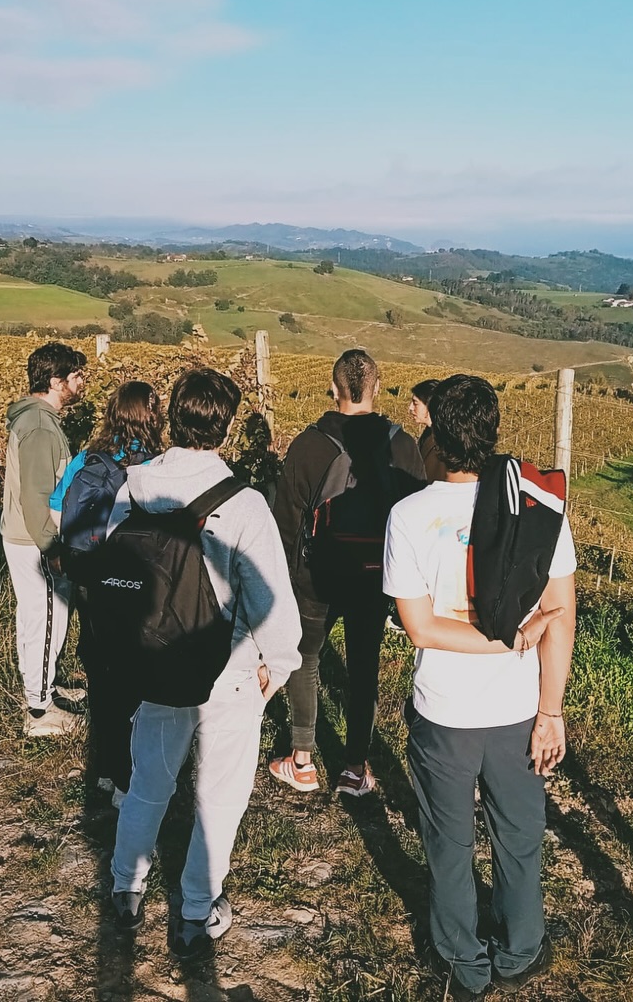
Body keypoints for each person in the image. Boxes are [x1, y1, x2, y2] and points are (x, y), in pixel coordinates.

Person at [383, 374, 576, 1001]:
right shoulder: (540, 509)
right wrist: (551, 708)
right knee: (519, 840)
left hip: (443, 714)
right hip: (519, 709)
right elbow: (560, 614)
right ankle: (521, 951)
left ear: (434, 434)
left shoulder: (408, 515)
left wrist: (492, 636)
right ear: (493, 433)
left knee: (449, 842)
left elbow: (419, 628)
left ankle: (465, 964)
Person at [109, 369, 302, 956]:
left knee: (149, 783)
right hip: (230, 668)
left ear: (171, 417)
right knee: (219, 793)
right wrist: (281, 662)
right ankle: (196, 910)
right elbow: (270, 597)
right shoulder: (243, 504)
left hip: (155, 662)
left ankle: (127, 888)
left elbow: (121, 573)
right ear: (225, 427)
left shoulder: (133, 486)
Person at [267, 349, 425, 796]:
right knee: (363, 667)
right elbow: (412, 519)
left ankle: (301, 760)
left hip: (315, 576)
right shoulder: (403, 446)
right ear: (378, 387)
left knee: (305, 657)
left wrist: (287, 579)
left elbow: (285, 521)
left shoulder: (309, 444)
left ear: (333, 389)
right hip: (375, 577)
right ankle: (355, 767)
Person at [49, 380, 164, 807]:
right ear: (152, 417)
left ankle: (102, 766)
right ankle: (124, 778)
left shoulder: (88, 456)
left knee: (99, 673)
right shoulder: (153, 465)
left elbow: (57, 509)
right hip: (132, 586)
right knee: (133, 681)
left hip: (89, 581)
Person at [0, 341, 87, 736]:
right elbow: (35, 494)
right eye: (76, 377)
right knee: (47, 619)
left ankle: (42, 690)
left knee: (38, 618)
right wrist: (51, 548)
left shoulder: (38, 419)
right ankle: (39, 713)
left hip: (28, 536)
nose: (81, 383)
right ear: (56, 381)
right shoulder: (38, 425)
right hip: (35, 541)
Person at [410, 378, 447, 484]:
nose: (410, 408)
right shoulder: (429, 433)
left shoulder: (441, 443)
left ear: (429, 405)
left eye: (415, 403)